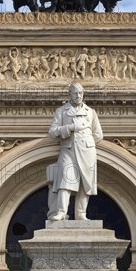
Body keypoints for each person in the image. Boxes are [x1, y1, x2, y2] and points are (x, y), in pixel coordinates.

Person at [48, 83, 103, 221]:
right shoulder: (61, 111)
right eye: (75, 93)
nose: (78, 96)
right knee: (65, 181)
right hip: (68, 150)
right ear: (69, 95)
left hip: (87, 151)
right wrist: (71, 128)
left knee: (86, 183)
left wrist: (86, 143)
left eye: (80, 93)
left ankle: (81, 214)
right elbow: (53, 132)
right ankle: (61, 212)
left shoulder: (90, 112)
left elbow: (98, 134)